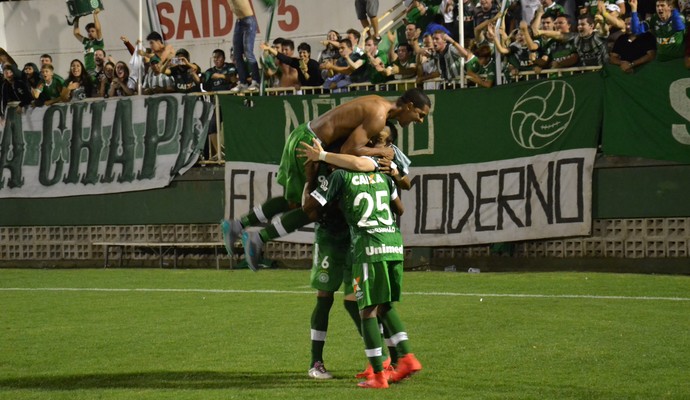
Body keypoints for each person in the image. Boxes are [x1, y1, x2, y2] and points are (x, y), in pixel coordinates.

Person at [221, 88, 432, 271]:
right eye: (420, 115)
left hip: (306, 136)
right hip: (312, 145)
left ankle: (240, 226)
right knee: (314, 207)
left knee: (295, 201)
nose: (420, 121)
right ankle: (256, 238)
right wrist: (382, 153)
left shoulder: (379, 103)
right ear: (409, 106)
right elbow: (351, 149)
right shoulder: (379, 116)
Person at [304, 136, 421, 389]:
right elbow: (399, 208)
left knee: (366, 309)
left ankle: (379, 373)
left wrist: (312, 175)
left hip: (368, 247)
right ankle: (406, 357)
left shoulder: (340, 176)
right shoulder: (385, 174)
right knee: (385, 306)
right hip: (393, 243)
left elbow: (310, 208)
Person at [229, 0, 261, 92]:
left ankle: (256, 81)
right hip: (239, 22)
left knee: (248, 53)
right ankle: (243, 82)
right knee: (237, 54)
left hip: (248, 20)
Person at [72, 8, 104, 79]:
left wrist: (95, 15)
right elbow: (76, 33)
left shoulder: (98, 42)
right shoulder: (86, 42)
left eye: (92, 31)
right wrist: (76, 18)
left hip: (95, 70)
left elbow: (98, 29)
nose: (90, 33)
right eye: (88, 31)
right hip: (87, 71)